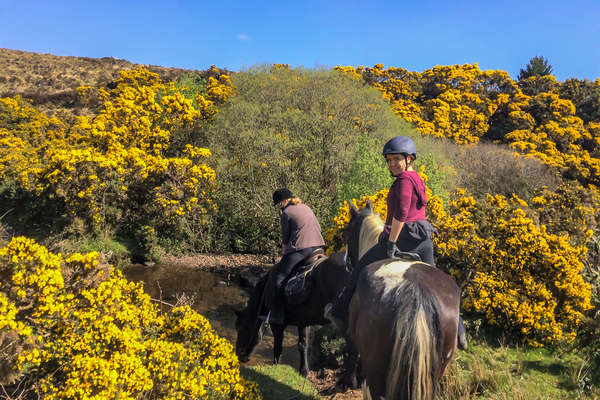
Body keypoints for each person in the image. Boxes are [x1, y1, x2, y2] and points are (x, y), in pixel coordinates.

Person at [324, 136, 468, 350]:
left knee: (360, 268)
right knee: (437, 282)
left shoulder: (403, 182)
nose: (392, 164)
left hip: (403, 238)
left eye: (396, 159)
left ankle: (338, 311)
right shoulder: (417, 178)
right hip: (423, 240)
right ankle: (459, 328)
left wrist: (391, 243)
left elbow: (400, 215)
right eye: (389, 160)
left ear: (409, 159)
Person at [261, 188, 326, 325]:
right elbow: (317, 226)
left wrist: (283, 256)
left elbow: (285, 240)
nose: (280, 206)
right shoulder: (306, 207)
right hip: (319, 246)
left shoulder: (286, 213)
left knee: (279, 277)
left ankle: (276, 314)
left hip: (301, 249)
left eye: (279, 203)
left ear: (284, 201)